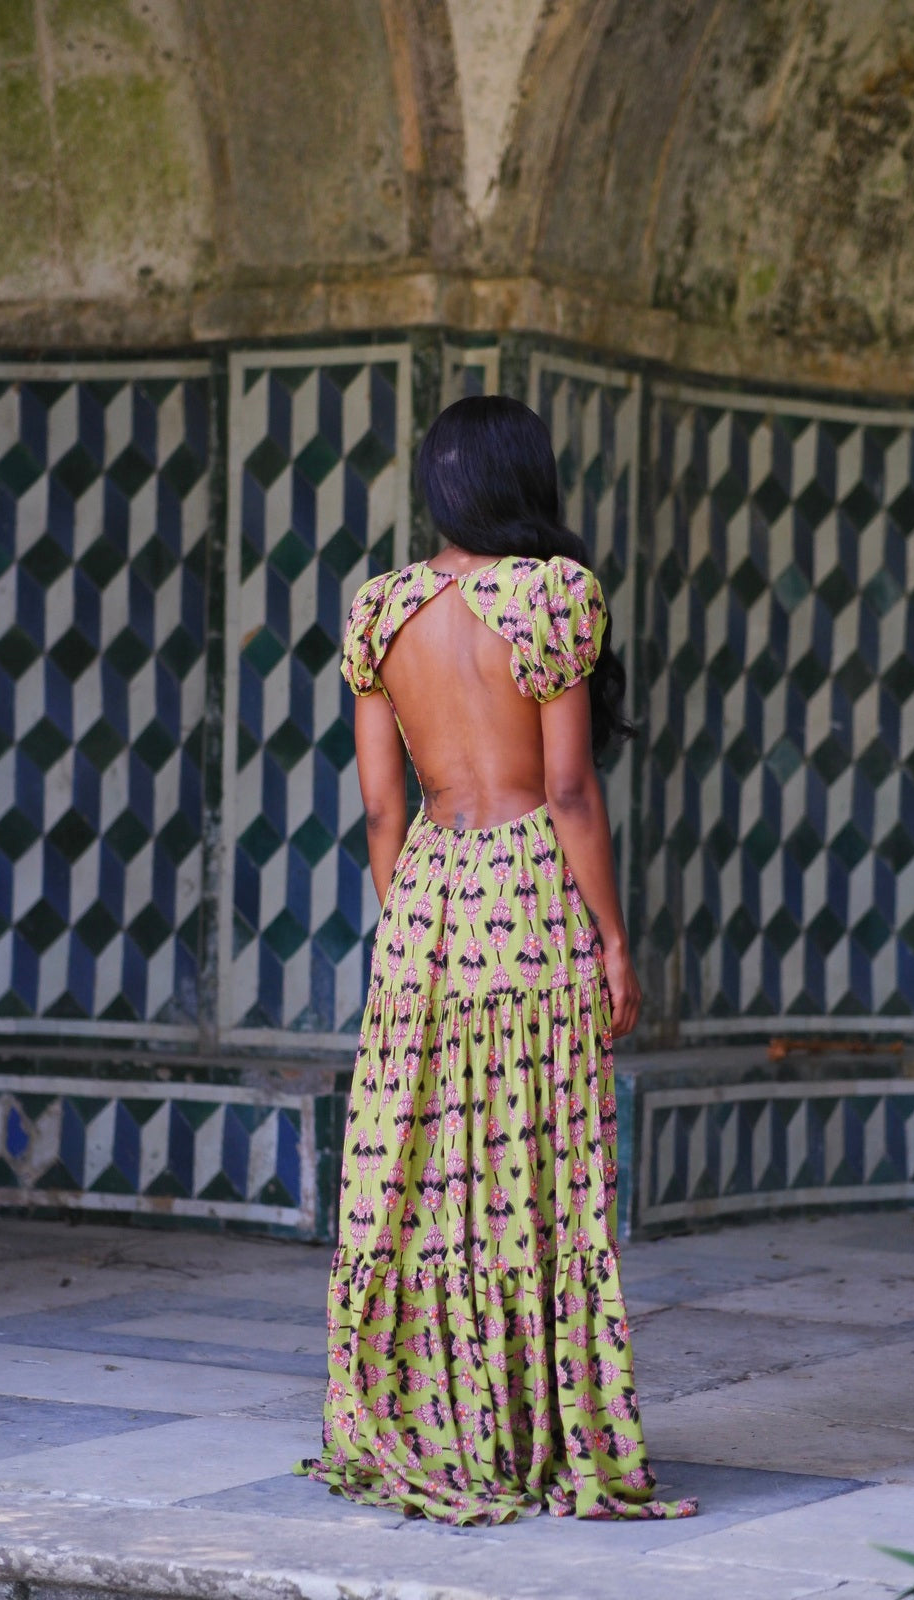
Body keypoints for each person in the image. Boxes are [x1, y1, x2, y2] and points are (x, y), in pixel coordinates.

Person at [294, 395, 697, 1524]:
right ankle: (536, 1432)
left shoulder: (378, 611)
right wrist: (612, 940)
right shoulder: (554, 595)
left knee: (424, 1182)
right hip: (529, 894)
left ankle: (434, 1424)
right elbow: (567, 789)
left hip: (425, 901)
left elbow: (382, 811)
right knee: (535, 1179)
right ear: (525, 481)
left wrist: (417, 917)